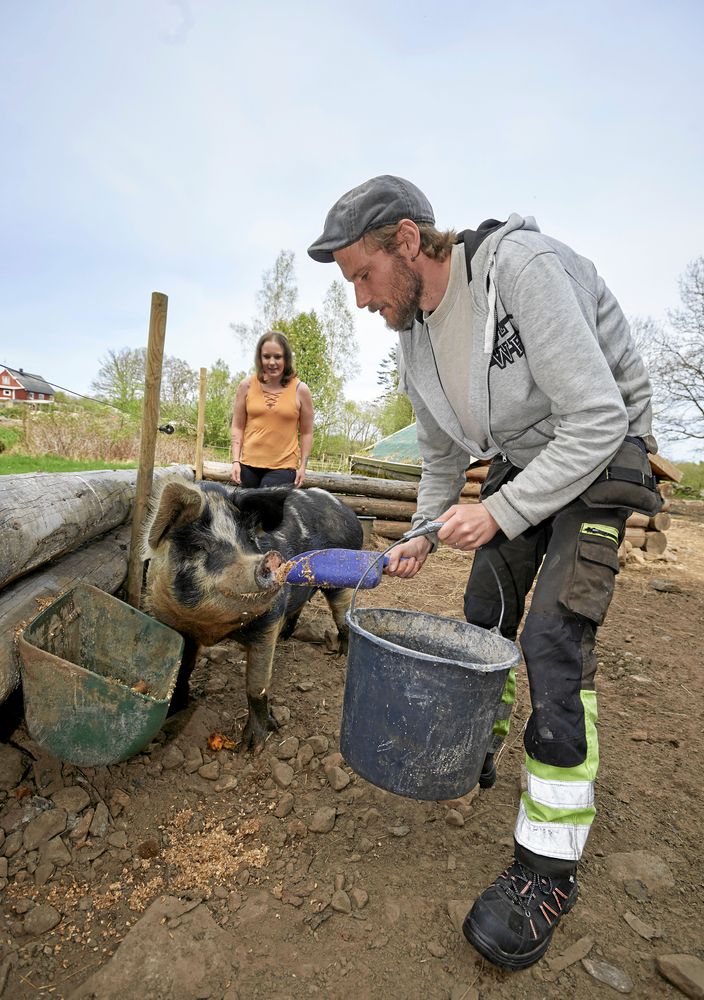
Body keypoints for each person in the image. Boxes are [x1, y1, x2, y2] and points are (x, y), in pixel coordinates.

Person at [308, 176, 662, 972]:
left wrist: (501, 513)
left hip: (603, 455)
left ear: (406, 241)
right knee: (484, 615)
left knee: (552, 640)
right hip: (528, 462)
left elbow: (598, 417)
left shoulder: (520, 271)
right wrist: (423, 535)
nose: (361, 299)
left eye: (362, 276)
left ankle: (546, 868)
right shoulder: (413, 333)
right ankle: (479, 748)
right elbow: (440, 461)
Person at [231, 330, 314, 488]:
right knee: (248, 511)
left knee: (266, 503)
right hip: (248, 465)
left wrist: (303, 467)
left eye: (277, 357)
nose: (272, 362)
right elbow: (237, 426)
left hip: (283, 467)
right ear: (259, 358)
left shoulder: (300, 390)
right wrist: (235, 461)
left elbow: (307, 432)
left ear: (286, 358)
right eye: (266, 356)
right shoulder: (246, 386)